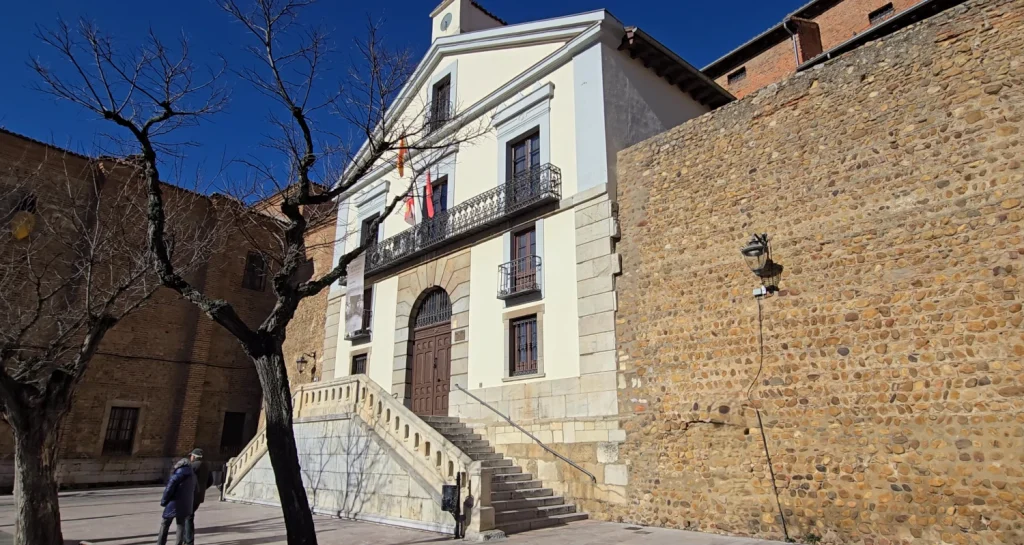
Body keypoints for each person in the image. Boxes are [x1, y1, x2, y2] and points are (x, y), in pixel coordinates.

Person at [157, 456, 196, 545]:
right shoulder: (193, 475)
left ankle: (160, 543)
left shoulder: (178, 474)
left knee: (165, 524)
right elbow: (195, 489)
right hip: (185, 505)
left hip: (173, 503)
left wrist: (164, 501)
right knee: (180, 525)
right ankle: (178, 543)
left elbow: (169, 489)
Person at [186, 448, 212, 545]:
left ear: (194, 456)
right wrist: (201, 489)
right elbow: (210, 481)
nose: (190, 457)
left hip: (191, 495)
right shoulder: (207, 466)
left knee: (188, 518)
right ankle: (187, 539)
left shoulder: (193, 466)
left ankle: (188, 541)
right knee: (190, 516)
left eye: (191, 456)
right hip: (199, 496)